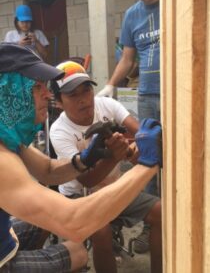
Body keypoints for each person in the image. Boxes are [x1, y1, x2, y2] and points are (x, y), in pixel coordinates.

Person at [0, 43, 163, 273]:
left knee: (45, 226)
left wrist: (84, 159)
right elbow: (74, 223)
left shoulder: (9, 139)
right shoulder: (2, 159)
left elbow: (48, 169)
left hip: (4, 238)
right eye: (37, 88)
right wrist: (147, 165)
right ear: (9, 93)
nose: (47, 95)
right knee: (77, 252)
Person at [50, 60, 162, 273]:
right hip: (79, 197)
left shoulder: (106, 105)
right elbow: (85, 179)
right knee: (101, 231)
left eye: (86, 91)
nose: (84, 100)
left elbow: (138, 132)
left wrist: (142, 141)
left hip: (113, 188)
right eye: (73, 95)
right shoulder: (59, 131)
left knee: (161, 211)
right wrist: (113, 156)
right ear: (58, 102)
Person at [97, 0, 160, 253]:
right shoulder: (132, 15)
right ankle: (155, 223)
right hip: (147, 95)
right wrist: (111, 85)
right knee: (148, 159)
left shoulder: (176, 2)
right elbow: (127, 57)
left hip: (180, 93)